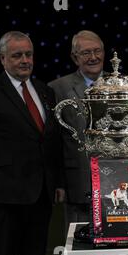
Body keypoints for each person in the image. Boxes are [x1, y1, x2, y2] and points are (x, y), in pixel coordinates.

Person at [0, 31, 64, 255]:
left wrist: (58, 181)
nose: (24, 60)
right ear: (2, 59)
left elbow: (52, 141)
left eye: (28, 54)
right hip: (5, 196)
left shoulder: (45, 91)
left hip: (41, 194)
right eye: (17, 55)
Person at [48, 30, 106, 234]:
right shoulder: (57, 89)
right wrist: (58, 182)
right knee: (79, 247)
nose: (93, 57)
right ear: (74, 57)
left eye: (97, 51)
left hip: (118, 183)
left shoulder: (122, 86)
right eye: (86, 53)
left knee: (119, 243)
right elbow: (54, 141)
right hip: (78, 184)